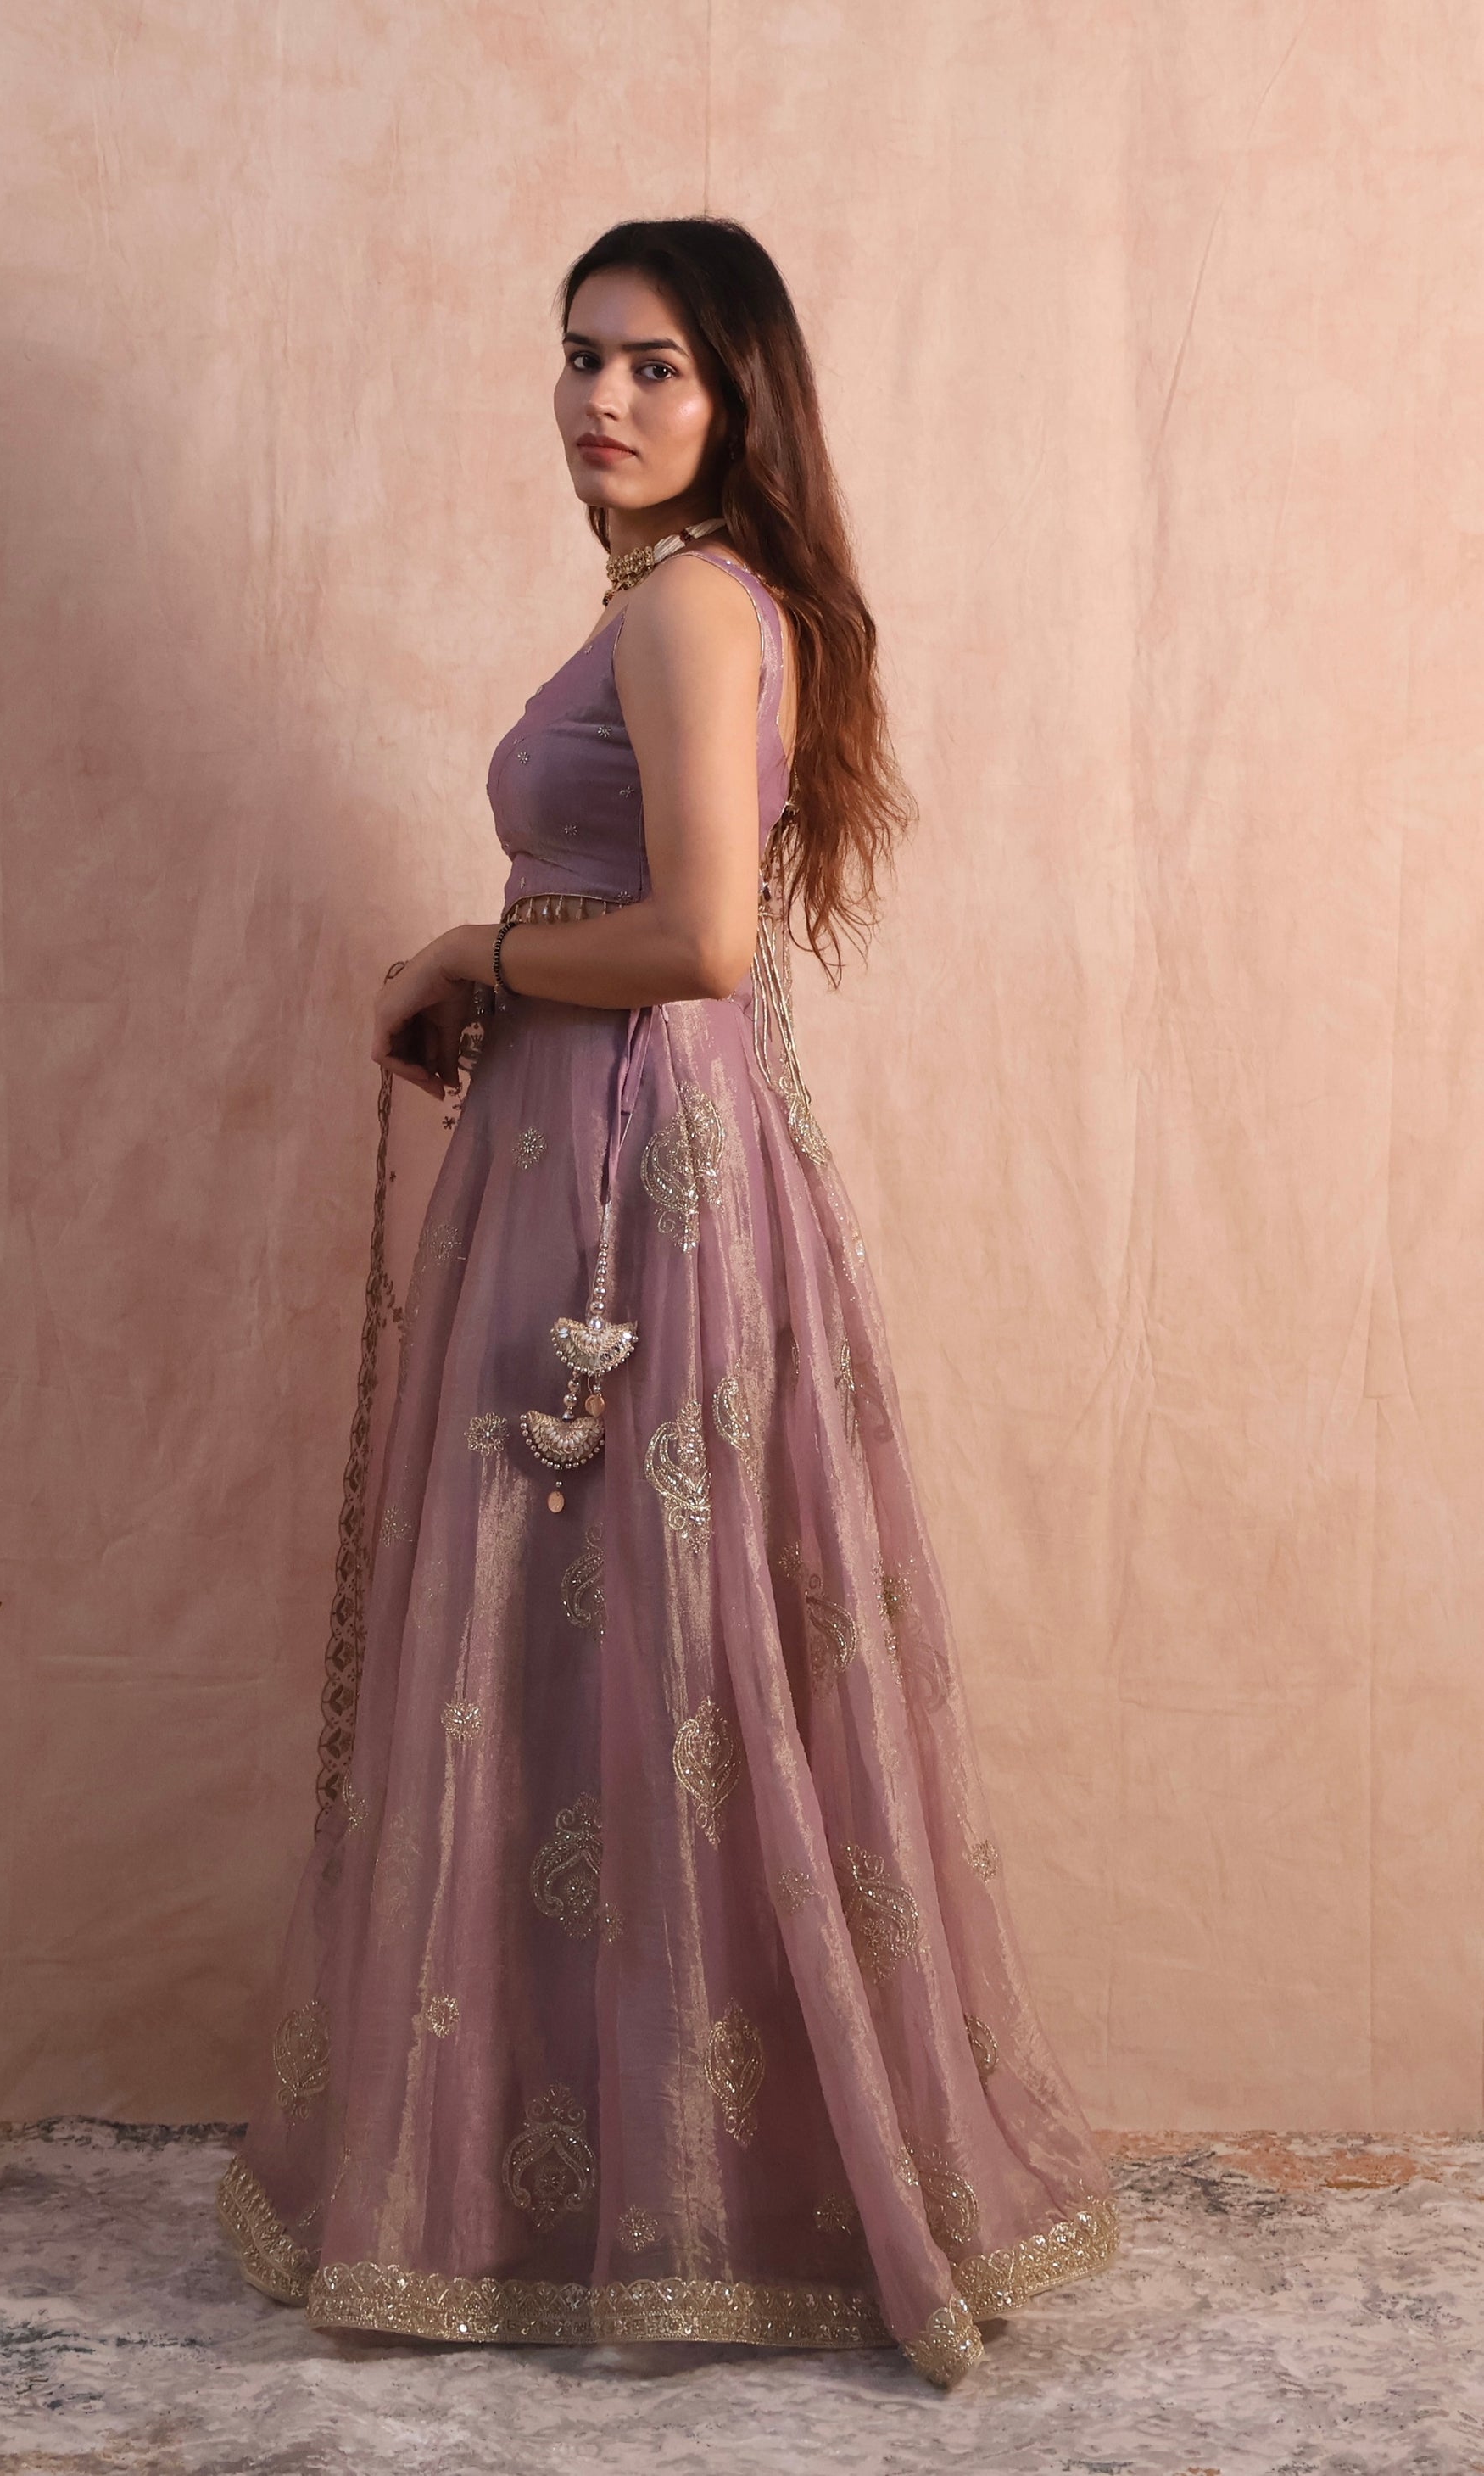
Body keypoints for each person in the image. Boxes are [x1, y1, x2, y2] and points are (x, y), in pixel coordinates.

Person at [218, 216, 1118, 2389]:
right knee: (593, 1636)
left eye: (656, 367)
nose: (603, 399)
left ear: (737, 402)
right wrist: (510, 973)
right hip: (598, 1139)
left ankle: (674, 2190)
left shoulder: (696, 605)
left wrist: (472, 950)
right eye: (580, 356)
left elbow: (704, 938)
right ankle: (574, 2173)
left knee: (655, 1634)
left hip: (636, 1173)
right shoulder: (670, 599)